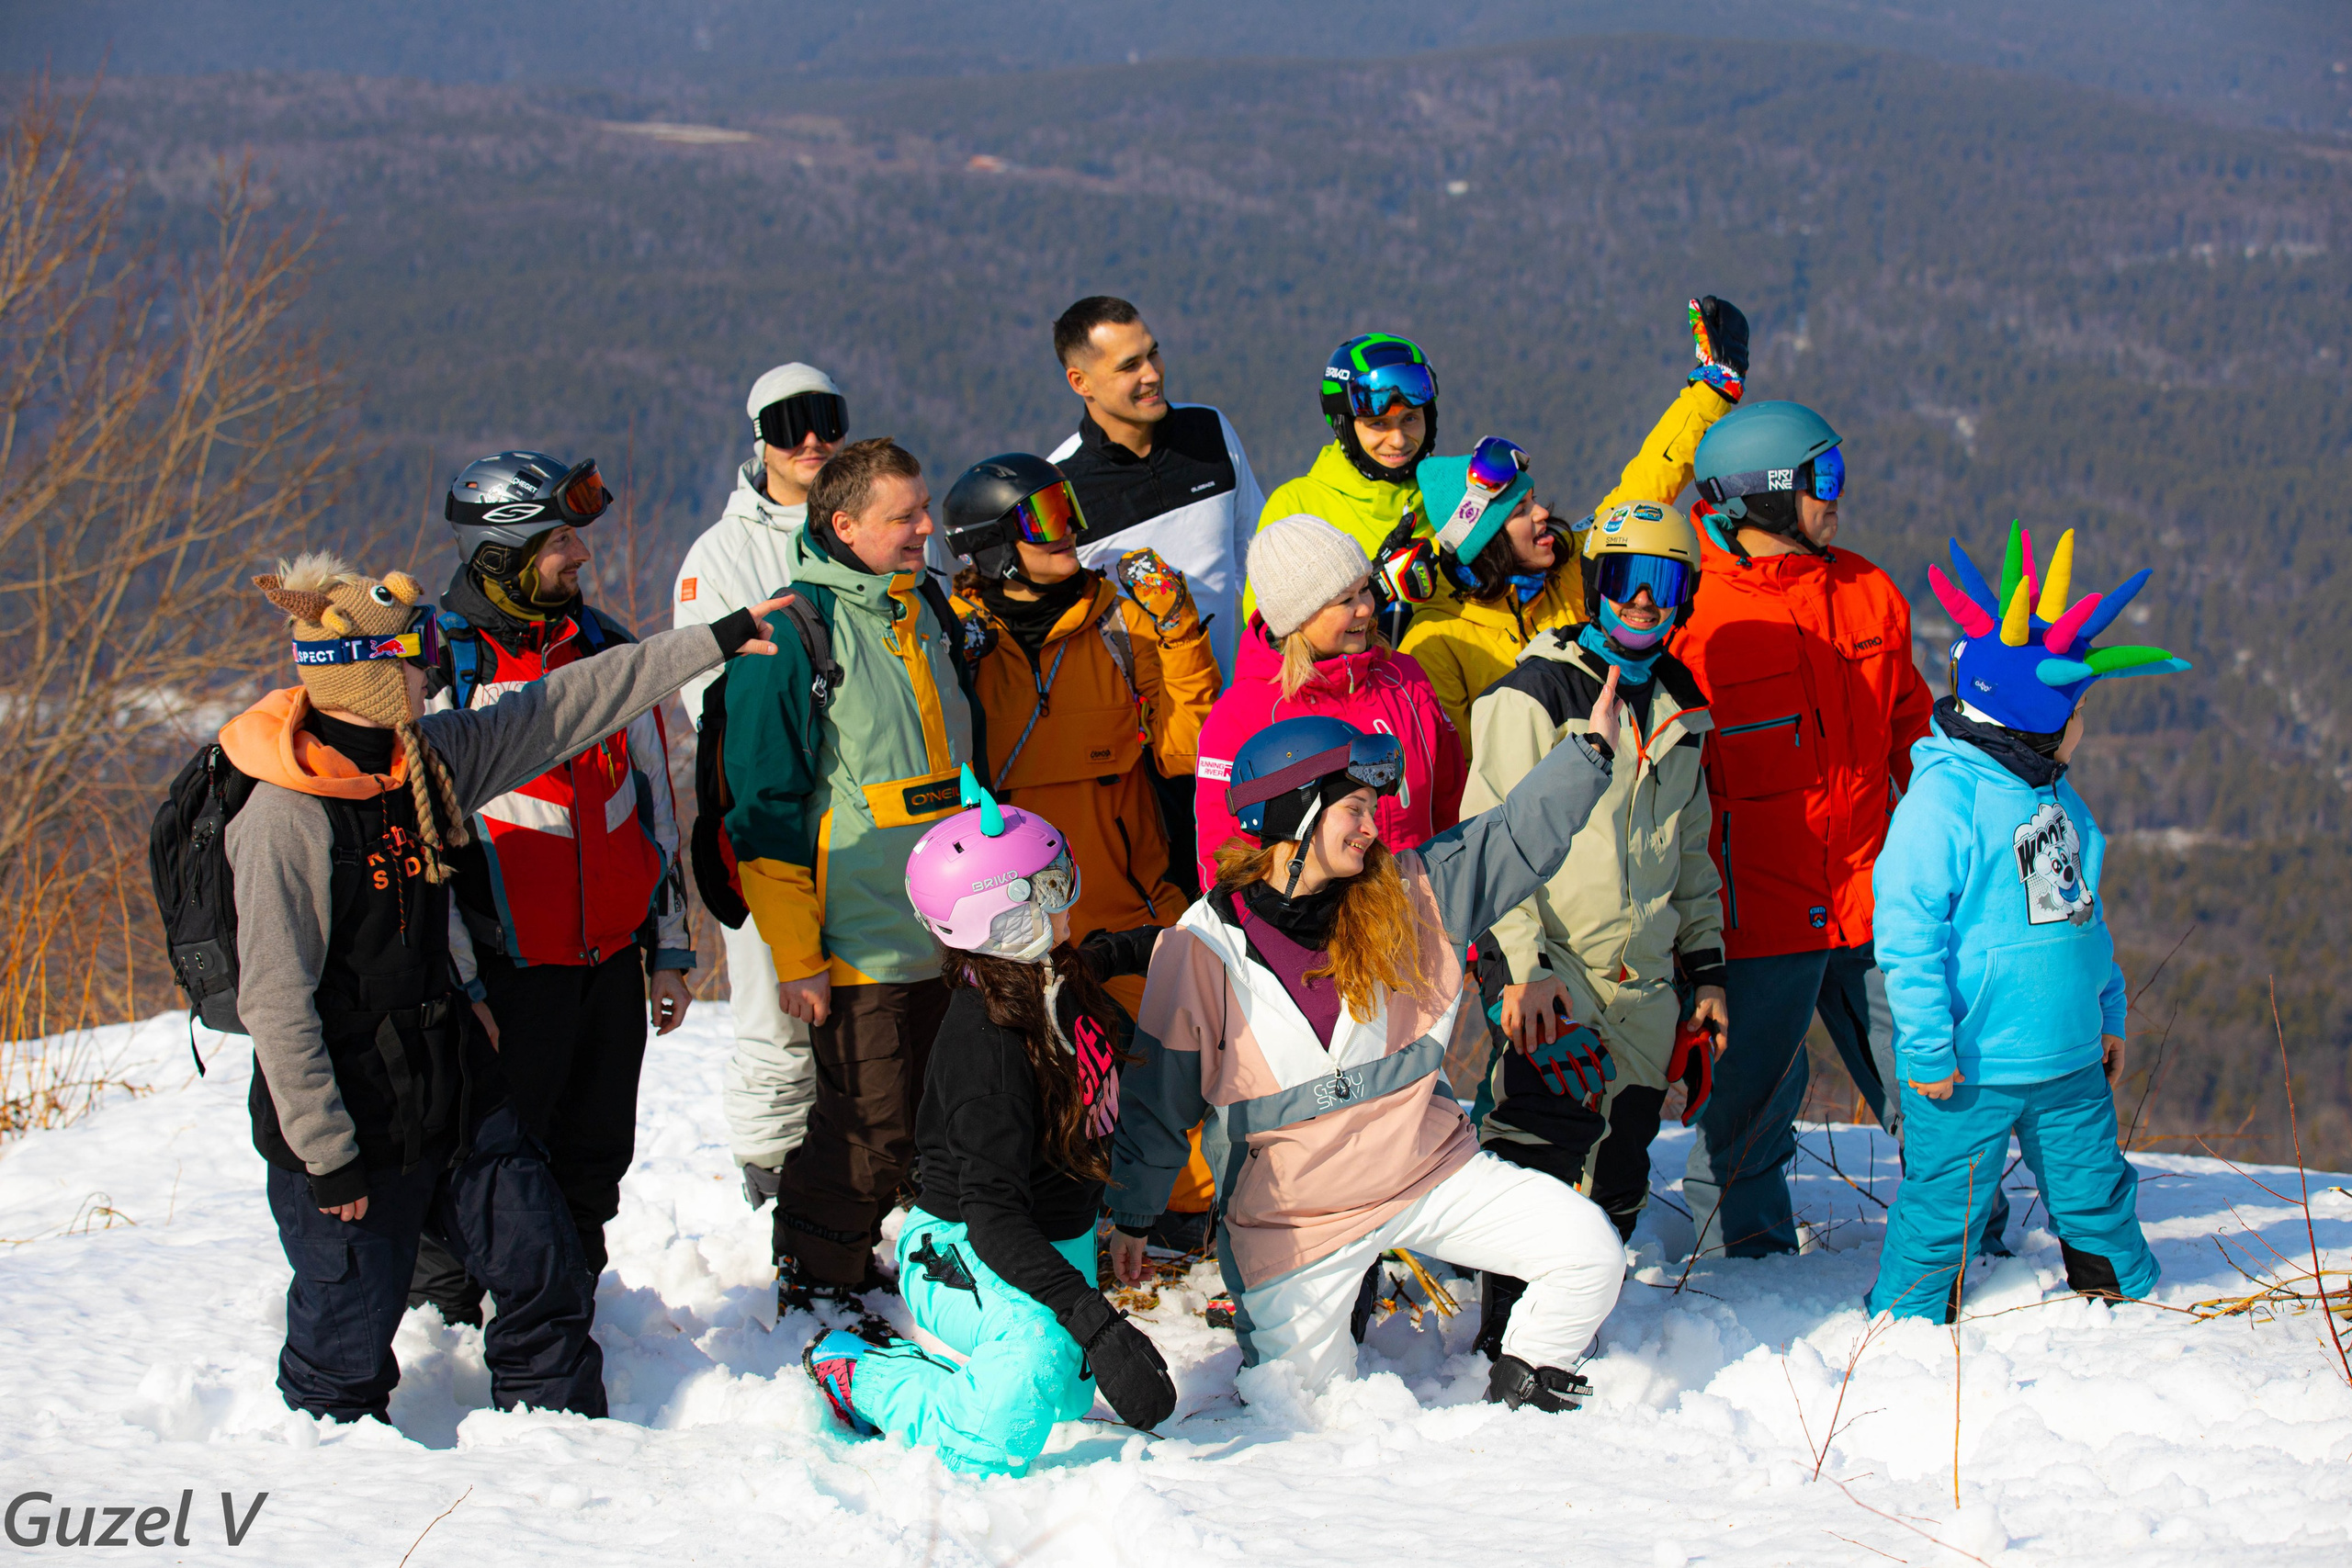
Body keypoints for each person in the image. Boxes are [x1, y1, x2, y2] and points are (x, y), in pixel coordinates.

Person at [223, 552, 786, 1422]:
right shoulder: (285, 817)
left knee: (544, 1269)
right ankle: (335, 1475)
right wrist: (327, 1155)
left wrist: (714, 638)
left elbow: (570, 703)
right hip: (350, 1111)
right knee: (347, 1336)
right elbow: (276, 1005)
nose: (433, 668)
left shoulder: (429, 759)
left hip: (451, 1080)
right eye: (417, 656)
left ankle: (560, 1439)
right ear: (372, 676)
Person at [1109, 699, 1629, 1409]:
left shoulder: (1410, 896)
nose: (1372, 825)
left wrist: (1589, 753)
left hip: (1425, 1172)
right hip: (1298, 1221)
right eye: (1353, 808)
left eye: (1371, 808)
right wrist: (1134, 1211)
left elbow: (1508, 838)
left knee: (1590, 1251)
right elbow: (1158, 1100)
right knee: (1299, 1410)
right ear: (1294, 812)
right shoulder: (1203, 946)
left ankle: (1526, 1383)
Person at [802, 779, 1175, 1472]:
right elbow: (994, 1218)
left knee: (1061, 1397)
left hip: (1046, 1237)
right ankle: (866, 1376)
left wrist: (1178, 942)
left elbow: (1102, 954)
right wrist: (1097, 1323)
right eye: (1050, 890)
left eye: (1063, 880)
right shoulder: (988, 1052)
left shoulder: (1047, 975)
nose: (1066, 903)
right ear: (1004, 920)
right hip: (962, 1248)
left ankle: (993, 1367)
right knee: (1009, 1414)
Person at [402, 450, 695, 1326]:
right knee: (485, 1163)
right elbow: (422, 848)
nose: (582, 554)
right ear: (502, 550)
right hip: (504, 973)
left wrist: (669, 949)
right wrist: (463, 985)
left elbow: (655, 804)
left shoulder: (605, 647)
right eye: (561, 539)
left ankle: (571, 1313)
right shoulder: (438, 664)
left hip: (607, 964)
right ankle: (446, 1325)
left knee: (593, 1159)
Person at [1867, 524, 2188, 1319]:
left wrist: (2108, 1011)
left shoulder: (2057, 797)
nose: (2084, 726)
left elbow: (2080, 918)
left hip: (2069, 1057)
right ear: (2038, 720)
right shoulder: (1943, 803)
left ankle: (2128, 1309)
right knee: (1943, 1211)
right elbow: (1907, 938)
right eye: (2079, 712)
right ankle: (1906, 1329)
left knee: (2096, 1193)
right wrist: (1927, 1047)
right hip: (1969, 1066)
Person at [1462, 501, 1730, 1352]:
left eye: (1663, 583)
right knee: (1538, 1158)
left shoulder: (1682, 706)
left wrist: (1707, 970)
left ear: (1684, 597)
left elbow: (1692, 851)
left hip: (1645, 985)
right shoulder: (1535, 693)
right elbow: (1489, 841)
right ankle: (1506, 1345)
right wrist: (1519, 972)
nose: (1642, 601)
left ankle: (1575, 1339)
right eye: (1624, 579)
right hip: (1556, 970)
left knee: (1620, 1169)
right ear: (1594, 585)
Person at [1673, 400, 1936, 1258]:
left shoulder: (1867, 592)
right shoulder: (1697, 620)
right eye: (1822, 477)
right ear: (1763, 494)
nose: (1838, 495)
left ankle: (1972, 1243)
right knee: (1747, 1114)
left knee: (1930, 1081)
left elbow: (1913, 734)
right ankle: (1743, 1274)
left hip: (1875, 896)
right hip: (1758, 919)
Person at [722, 436, 978, 1309]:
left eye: (925, 508)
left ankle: (889, 1266)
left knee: (938, 1115)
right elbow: (762, 809)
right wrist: (798, 955)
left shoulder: (926, 610)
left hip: (951, 927)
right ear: (843, 525)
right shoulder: (792, 632)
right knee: (869, 1126)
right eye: (904, 516)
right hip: (859, 935)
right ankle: (816, 1275)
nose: (926, 528)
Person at [939, 453, 1219, 1022]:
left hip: (1133, 921)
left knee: (1181, 1064)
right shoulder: (956, 640)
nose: (1067, 529)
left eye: (1067, 509)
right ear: (992, 543)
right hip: (1016, 937)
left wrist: (1179, 630)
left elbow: (1187, 749)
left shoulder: (1119, 623)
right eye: (1043, 518)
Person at [1401, 297, 1748, 748]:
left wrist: (1713, 392)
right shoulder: (1436, 641)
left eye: (1534, 500)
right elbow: (1454, 765)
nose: (1542, 513)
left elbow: (1647, 485)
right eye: (1520, 511)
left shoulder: (1568, 570)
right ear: (1482, 541)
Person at [673, 364, 848, 1205]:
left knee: (873, 1000)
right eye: (787, 423)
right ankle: (773, 1169)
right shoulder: (721, 553)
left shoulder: (872, 520)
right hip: (767, 812)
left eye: (825, 418)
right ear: (759, 440)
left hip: (862, 816)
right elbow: (704, 687)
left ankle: (871, 1166)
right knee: (775, 1002)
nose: (810, 439)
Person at [1194, 514, 1464, 893]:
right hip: (1325, 926)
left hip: (1430, 907)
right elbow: (1224, 857)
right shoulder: (1242, 716)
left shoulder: (1404, 678)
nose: (1366, 608)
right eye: (1345, 600)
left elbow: (1452, 799)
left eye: (1365, 589)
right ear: (1298, 619)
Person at [1046, 295, 1265, 682]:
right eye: (1129, 365)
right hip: (1131, 713)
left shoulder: (1210, 430)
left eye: (1153, 353)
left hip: (1230, 703)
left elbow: (1257, 562)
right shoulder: (1058, 484)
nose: (1152, 374)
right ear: (1080, 382)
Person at [1250, 333, 1441, 641]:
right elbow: (1268, 645)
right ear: (1345, 425)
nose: (1398, 440)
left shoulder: (1450, 497)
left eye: (1410, 419)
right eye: (1378, 424)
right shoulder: (1296, 508)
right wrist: (1375, 590)